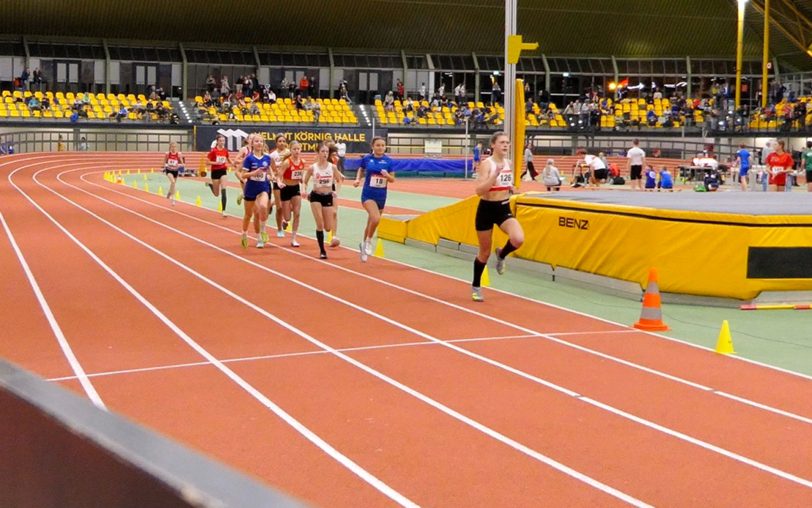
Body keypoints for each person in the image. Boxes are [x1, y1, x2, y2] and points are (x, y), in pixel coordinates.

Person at [470, 131, 524, 302]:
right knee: (484, 253)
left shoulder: (508, 163)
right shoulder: (487, 164)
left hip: (503, 208)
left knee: (518, 239)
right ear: (493, 145)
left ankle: (501, 254)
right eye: (502, 142)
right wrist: (494, 176)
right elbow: (479, 191)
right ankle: (476, 286)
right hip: (486, 209)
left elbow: (508, 184)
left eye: (507, 142)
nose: (506, 145)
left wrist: (512, 188)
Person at [353, 137, 395, 262]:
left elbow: (392, 179)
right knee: (376, 218)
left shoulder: (388, 161)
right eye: (378, 145)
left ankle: (364, 246)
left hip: (381, 196)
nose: (380, 147)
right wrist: (357, 179)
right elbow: (361, 169)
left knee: (371, 222)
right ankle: (369, 241)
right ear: (372, 146)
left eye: (383, 145)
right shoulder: (367, 159)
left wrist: (387, 176)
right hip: (368, 195)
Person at [303, 141, 344, 259]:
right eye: (323, 151)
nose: (325, 154)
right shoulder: (312, 168)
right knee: (320, 224)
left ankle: (326, 237)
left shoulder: (333, 167)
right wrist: (304, 190)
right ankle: (322, 250)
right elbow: (304, 181)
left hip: (327, 196)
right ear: (318, 153)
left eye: (327, 151)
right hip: (315, 196)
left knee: (328, 227)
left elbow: (339, 180)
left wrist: (336, 192)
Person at [237, 135, 272, 248]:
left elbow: (270, 172)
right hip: (251, 187)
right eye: (256, 141)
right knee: (248, 215)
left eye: (261, 142)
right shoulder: (249, 159)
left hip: (263, 187)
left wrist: (273, 177)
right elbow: (243, 175)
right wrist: (254, 173)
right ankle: (244, 233)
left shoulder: (267, 158)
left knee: (263, 207)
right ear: (252, 144)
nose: (259, 143)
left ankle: (262, 231)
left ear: (263, 144)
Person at [276, 140, 305, 247]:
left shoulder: (303, 162)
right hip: (286, 188)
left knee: (297, 213)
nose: (297, 151)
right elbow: (279, 175)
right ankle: (285, 220)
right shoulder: (287, 162)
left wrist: (301, 180)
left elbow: (301, 174)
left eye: (298, 149)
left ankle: (293, 238)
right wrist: (279, 182)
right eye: (294, 149)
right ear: (291, 150)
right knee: (288, 217)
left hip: (295, 189)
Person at [204, 134, 234, 217]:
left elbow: (228, 159)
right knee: (216, 194)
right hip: (215, 172)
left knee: (224, 190)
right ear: (217, 142)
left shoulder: (225, 151)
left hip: (223, 171)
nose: (222, 142)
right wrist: (215, 163)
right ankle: (211, 185)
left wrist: (233, 164)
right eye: (220, 141)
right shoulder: (213, 151)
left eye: (223, 141)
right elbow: (207, 162)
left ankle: (224, 210)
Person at [269, 134, 289, 236]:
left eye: (283, 141)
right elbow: (270, 168)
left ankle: (285, 220)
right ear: (276, 143)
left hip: (288, 181)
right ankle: (280, 228)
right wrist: (273, 175)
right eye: (279, 141)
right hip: (277, 181)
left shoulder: (289, 153)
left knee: (290, 205)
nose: (282, 143)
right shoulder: (272, 155)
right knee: (280, 207)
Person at [327, 143, 343, 247]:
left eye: (335, 154)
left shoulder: (335, 161)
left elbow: (339, 178)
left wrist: (337, 191)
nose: (335, 156)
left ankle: (334, 236)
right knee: (325, 219)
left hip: (331, 189)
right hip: (321, 190)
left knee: (334, 213)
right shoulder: (320, 162)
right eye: (333, 154)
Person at [163, 141, 185, 206]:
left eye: (175, 147)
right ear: (170, 147)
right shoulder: (167, 154)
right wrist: (166, 165)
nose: (174, 148)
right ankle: (173, 200)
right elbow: (164, 162)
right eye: (172, 147)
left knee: (173, 184)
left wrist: (180, 165)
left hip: (175, 171)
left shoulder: (178, 154)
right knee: (172, 182)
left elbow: (183, 163)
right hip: (169, 170)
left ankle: (169, 192)